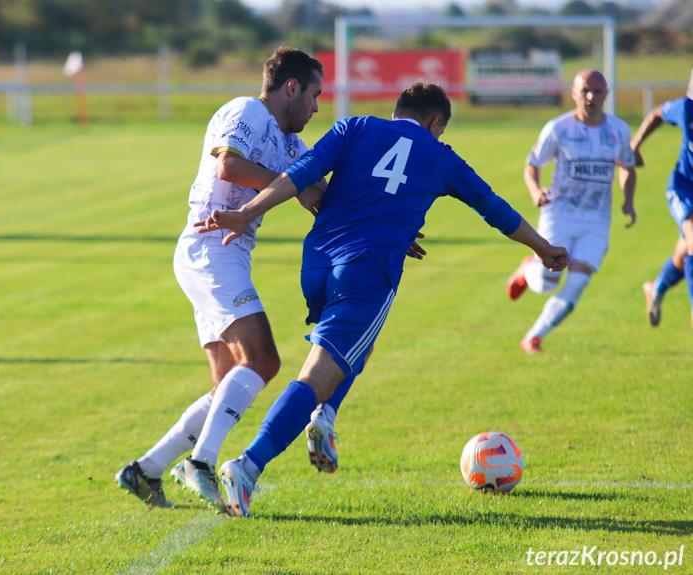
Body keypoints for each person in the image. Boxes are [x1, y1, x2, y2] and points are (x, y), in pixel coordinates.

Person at [194, 82, 569, 517]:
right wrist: (542, 247)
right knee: (318, 373)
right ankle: (248, 465)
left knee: (356, 346)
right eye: (440, 131)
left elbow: (301, 175)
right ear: (435, 124)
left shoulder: (354, 126)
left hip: (316, 265)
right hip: (368, 271)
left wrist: (246, 213)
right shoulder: (440, 155)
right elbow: (494, 208)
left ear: (397, 111)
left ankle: (324, 416)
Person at [116, 47, 326, 511]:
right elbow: (228, 165)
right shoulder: (247, 109)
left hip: (223, 255)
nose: (316, 108)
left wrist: (388, 223)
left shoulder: (290, 144)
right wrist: (291, 183)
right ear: (290, 88)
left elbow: (319, 186)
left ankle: (146, 470)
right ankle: (201, 463)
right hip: (211, 248)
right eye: (313, 95)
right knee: (264, 360)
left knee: (228, 382)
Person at [505, 69, 636, 353]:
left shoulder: (619, 130)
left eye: (597, 91)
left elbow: (627, 167)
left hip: (597, 219)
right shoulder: (558, 128)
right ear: (574, 93)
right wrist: (535, 191)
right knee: (546, 284)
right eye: (585, 91)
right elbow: (532, 166)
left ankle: (534, 336)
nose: (591, 97)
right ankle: (529, 270)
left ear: (606, 95)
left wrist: (628, 200)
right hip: (559, 214)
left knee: (577, 283)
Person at [631, 67, 693, 328]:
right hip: (683, 189)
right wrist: (634, 146)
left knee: (683, 252)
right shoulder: (686, 109)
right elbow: (658, 112)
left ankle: (657, 287)